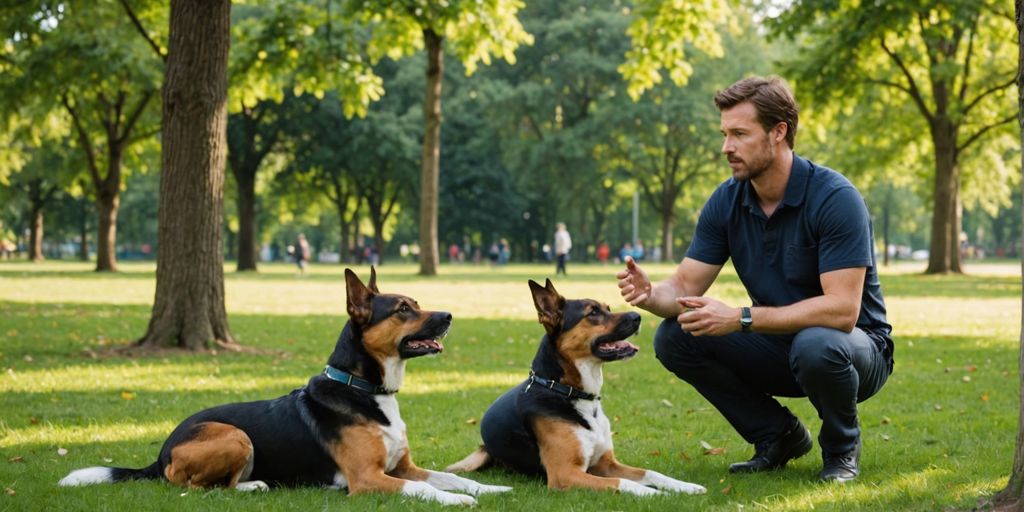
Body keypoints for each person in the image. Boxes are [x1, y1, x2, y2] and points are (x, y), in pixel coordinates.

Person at [616, 76, 892, 483]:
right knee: (676, 336)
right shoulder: (728, 199)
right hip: (779, 344)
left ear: (778, 132)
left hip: (854, 349)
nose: (726, 147)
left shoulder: (835, 198)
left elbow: (842, 311)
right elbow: (684, 289)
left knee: (817, 342)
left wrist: (741, 317)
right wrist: (650, 294)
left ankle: (841, 450)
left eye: (740, 134)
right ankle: (777, 435)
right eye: (725, 134)